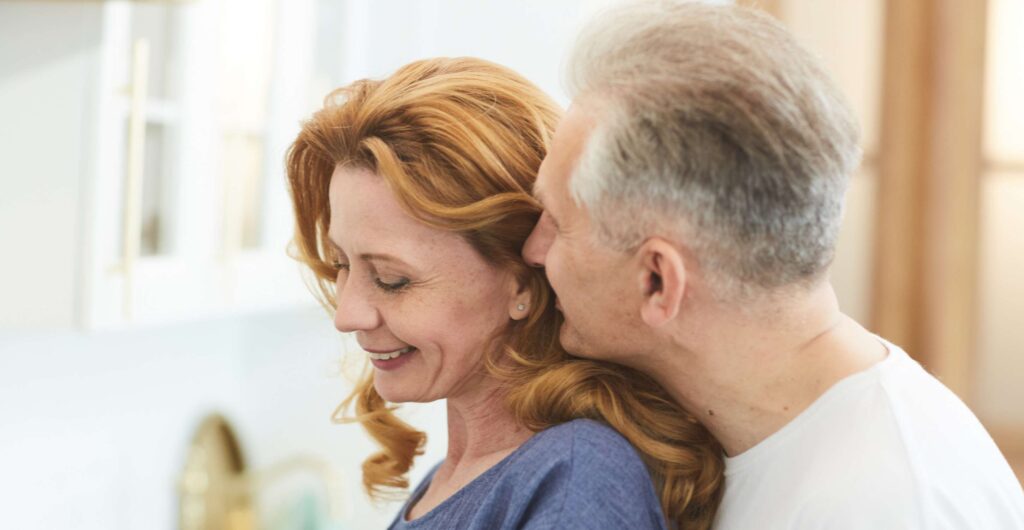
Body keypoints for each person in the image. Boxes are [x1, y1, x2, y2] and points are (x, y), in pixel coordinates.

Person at [522, 2, 1024, 528]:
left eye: (556, 222)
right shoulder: (732, 443)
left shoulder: (886, 506)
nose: (532, 249)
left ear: (658, 280)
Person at [285, 57, 724, 529]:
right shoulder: (456, 480)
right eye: (341, 265)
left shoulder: (575, 478)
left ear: (523, 279)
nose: (347, 314)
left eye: (393, 280)